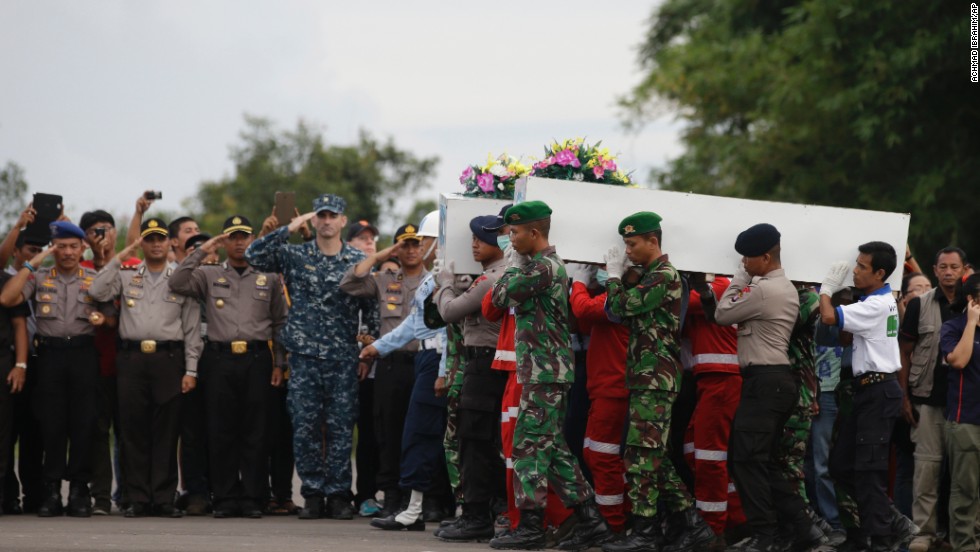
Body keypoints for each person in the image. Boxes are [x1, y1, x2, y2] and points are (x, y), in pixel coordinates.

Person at [245, 193, 378, 520]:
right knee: (304, 426)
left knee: (340, 428)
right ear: (314, 220)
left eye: (333, 215)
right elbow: (253, 255)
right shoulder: (295, 255)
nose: (327, 221)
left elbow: (370, 306)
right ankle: (313, 493)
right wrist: (287, 227)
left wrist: (367, 351)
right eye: (321, 215)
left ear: (343, 221)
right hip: (303, 356)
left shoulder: (354, 259)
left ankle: (339, 494)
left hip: (343, 357)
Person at [489, 201, 610, 551]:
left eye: (515, 233)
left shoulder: (542, 268)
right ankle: (591, 522)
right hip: (543, 369)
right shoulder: (542, 266)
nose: (510, 240)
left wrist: (511, 268)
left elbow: (499, 297)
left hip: (545, 371)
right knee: (552, 448)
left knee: (527, 446)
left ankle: (531, 526)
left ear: (535, 233)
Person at [601, 212, 713, 552]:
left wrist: (612, 277)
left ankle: (644, 532)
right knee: (653, 456)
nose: (628, 251)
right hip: (646, 376)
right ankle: (693, 525)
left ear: (653, 241)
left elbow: (620, 306)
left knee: (641, 458)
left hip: (655, 378)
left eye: (633, 244)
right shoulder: (650, 275)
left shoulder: (663, 276)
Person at [168, 216, 288, 518]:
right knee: (221, 430)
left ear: (251, 239)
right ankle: (223, 497)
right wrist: (203, 248)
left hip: (258, 359)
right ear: (225, 240)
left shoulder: (268, 275)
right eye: (232, 237)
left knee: (255, 431)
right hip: (219, 359)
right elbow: (177, 282)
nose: (239, 242)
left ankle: (252, 497)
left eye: (244, 236)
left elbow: (279, 322)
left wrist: (280, 362)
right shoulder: (208, 274)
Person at [704, 223, 808, 552]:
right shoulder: (779, 287)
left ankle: (767, 536)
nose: (744, 264)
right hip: (772, 382)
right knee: (760, 461)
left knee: (747, 461)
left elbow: (723, 314)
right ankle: (803, 529)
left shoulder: (763, 289)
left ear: (766, 257)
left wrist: (738, 278)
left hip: (766, 382)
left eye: (748, 259)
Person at [89, 218, 202, 518]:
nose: (155, 245)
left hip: (169, 358)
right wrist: (121, 256)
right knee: (132, 429)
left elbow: (191, 328)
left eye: (160, 239)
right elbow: (98, 292)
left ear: (169, 243)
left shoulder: (180, 277)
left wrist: (191, 370)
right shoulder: (127, 274)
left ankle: (163, 497)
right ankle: (137, 496)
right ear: (143, 243)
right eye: (149, 239)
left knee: (167, 430)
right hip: (133, 359)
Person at [0, 221, 115, 517]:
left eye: (73, 247)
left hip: (82, 354)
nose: (67, 252)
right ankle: (50, 489)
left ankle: (79, 489)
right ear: (54, 248)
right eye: (60, 246)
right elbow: (7, 297)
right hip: (49, 355)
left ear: (82, 249)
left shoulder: (94, 278)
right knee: (50, 424)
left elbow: (113, 317)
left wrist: (104, 321)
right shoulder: (39, 277)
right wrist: (31, 263)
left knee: (83, 423)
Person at [359, 210, 452, 532]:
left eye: (426, 240)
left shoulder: (447, 278)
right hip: (423, 361)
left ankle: (420, 510)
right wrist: (378, 347)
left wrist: (442, 370)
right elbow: (416, 324)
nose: (423, 246)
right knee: (415, 435)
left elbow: (445, 332)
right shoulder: (434, 279)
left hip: (436, 362)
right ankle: (413, 509)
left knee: (425, 435)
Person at [821, 241, 916, 552]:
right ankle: (893, 522)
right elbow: (848, 337)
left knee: (870, 469)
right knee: (841, 465)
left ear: (879, 273)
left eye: (862, 267)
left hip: (877, 389)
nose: (855, 270)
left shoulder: (877, 304)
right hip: (868, 390)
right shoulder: (873, 299)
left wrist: (826, 290)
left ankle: (882, 540)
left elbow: (829, 318)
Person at [340, 223, 428, 518]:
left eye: (416, 244)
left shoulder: (436, 280)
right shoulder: (384, 279)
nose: (412, 250)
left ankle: (418, 495)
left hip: (422, 363)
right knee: (388, 432)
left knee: (420, 431)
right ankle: (391, 495)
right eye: (405, 244)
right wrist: (382, 255)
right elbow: (349, 283)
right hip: (390, 366)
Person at [431, 214, 507, 542]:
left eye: (483, 238)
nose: (475, 244)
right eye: (473, 238)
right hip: (484, 364)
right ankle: (485, 513)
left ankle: (477, 516)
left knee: (474, 440)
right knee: (480, 441)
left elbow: (449, 312)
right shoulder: (490, 275)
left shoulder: (494, 277)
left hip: (485, 366)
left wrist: (445, 283)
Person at [899, 247, 968, 552]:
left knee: (963, 473)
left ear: (963, 269)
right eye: (943, 267)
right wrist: (904, 396)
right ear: (935, 270)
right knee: (926, 469)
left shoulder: (972, 304)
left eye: (954, 267)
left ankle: (961, 534)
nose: (949, 272)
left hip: (966, 403)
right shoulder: (919, 306)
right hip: (926, 399)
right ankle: (923, 532)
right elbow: (905, 351)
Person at [78, 209, 137, 515]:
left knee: (127, 431)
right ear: (84, 238)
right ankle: (100, 496)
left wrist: (139, 211)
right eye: (94, 230)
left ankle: (127, 493)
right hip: (92, 361)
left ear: (116, 232)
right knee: (98, 430)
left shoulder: (133, 266)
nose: (101, 234)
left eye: (107, 228)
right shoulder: (80, 267)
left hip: (127, 360)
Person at [567, 263, 630, 534]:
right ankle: (610, 519)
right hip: (602, 386)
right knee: (593, 453)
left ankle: (615, 523)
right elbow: (579, 320)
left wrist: (579, 283)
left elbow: (584, 309)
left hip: (615, 387)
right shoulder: (611, 295)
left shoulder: (623, 296)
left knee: (603, 456)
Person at [683, 273, 743, 545]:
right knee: (698, 451)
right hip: (711, 380)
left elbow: (677, 302)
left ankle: (713, 529)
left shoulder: (723, 284)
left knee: (709, 457)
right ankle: (736, 519)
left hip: (723, 379)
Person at [938, 273, 980, 552]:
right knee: (965, 491)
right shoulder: (953, 327)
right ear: (971, 298)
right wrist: (973, 322)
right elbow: (959, 360)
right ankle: (965, 545)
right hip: (966, 422)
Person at [344, 217, 382, 517]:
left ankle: (367, 494)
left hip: (371, 369)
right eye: (362, 239)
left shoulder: (383, 277)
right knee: (339, 432)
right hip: (340, 366)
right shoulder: (343, 275)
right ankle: (339, 493)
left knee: (369, 434)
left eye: (372, 240)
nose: (369, 244)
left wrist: (367, 354)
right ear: (349, 244)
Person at [0, 267, 31, 516]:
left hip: (3, 361)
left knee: (3, 434)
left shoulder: (6, 281)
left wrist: (20, 364)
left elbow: (20, 324)